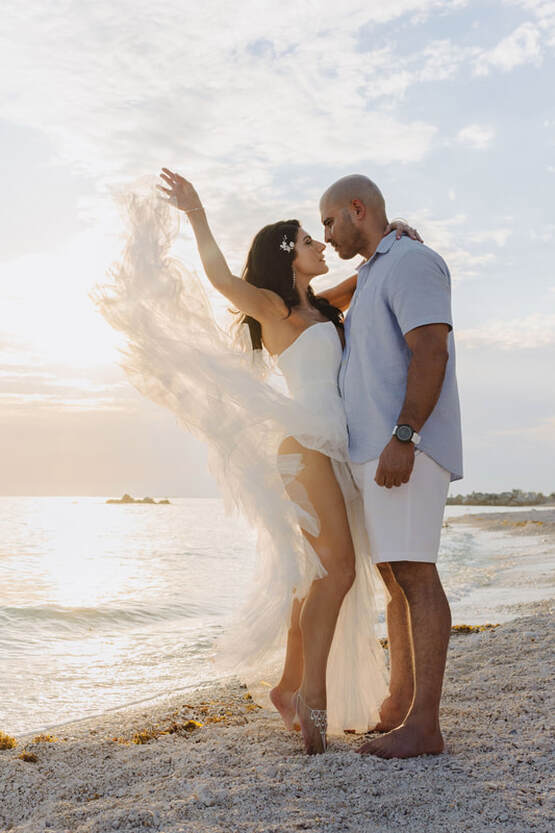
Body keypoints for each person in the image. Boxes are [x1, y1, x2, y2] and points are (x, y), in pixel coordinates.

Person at [94, 170, 419, 755]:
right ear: (288, 254)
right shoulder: (273, 308)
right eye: (309, 238)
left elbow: (367, 275)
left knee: (320, 574)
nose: (322, 244)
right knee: (338, 572)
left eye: (322, 235)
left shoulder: (323, 307)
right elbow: (220, 278)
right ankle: (311, 697)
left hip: (336, 449)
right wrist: (196, 214)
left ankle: (289, 686)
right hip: (304, 447)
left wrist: (392, 238)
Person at [319, 174, 463, 759]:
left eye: (330, 221)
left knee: (416, 575)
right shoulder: (380, 267)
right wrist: (370, 256)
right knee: (396, 579)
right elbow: (314, 306)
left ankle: (424, 725)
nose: (325, 235)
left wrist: (404, 436)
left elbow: (431, 347)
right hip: (378, 451)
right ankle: (400, 707)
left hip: (404, 447)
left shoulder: (410, 262)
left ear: (358, 209)